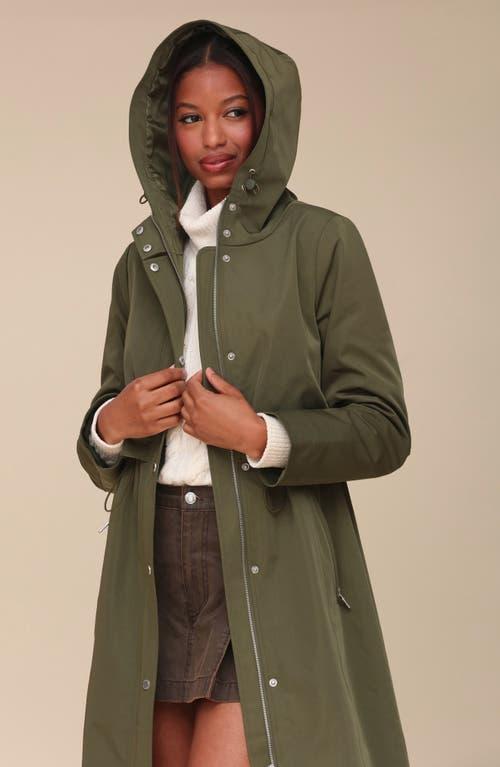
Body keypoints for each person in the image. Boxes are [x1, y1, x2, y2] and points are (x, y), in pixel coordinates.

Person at [77, 19, 412, 767]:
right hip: (153, 558)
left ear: (267, 116)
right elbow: (101, 439)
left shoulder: (322, 242)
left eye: (233, 111)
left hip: (267, 551)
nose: (213, 137)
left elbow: (383, 427)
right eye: (189, 117)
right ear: (164, 132)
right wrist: (114, 421)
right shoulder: (143, 258)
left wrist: (260, 434)